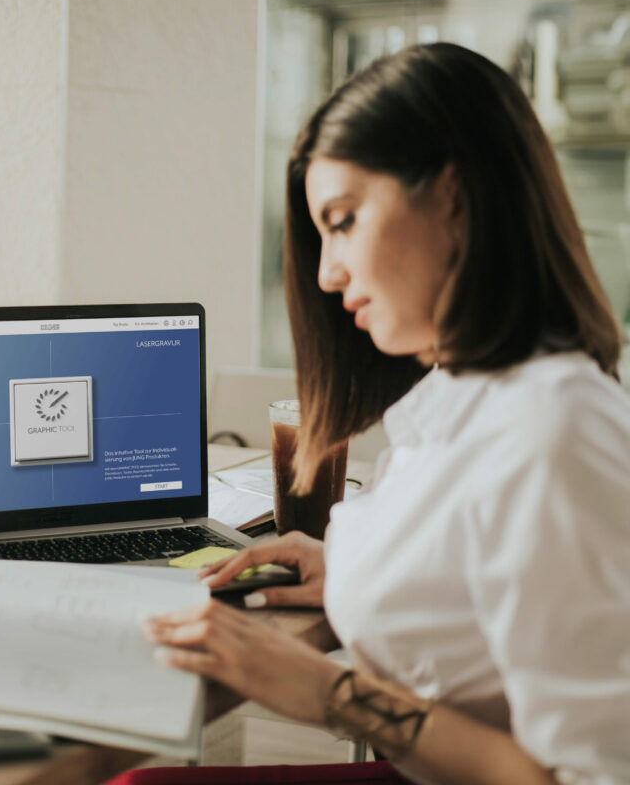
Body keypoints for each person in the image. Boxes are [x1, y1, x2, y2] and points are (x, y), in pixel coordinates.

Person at [142, 43, 630, 785]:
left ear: (455, 197)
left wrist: (329, 692)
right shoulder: (461, 396)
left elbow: (589, 775)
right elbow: (484, 571)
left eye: (342, 222)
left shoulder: (550, 431)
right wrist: (352, 569)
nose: (326, 274)